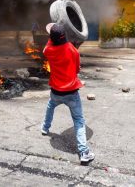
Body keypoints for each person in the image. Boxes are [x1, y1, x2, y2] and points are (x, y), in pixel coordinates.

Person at [41, 23, 95, 164]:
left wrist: (51, 37)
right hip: (71, 92)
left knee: (50, 106)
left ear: (51, 38)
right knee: (78, 121)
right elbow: (77, 70)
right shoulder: (73, 50)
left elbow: (47, 47)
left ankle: (45, 128)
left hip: (56, 91)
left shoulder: (48, 50)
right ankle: (84, 152)